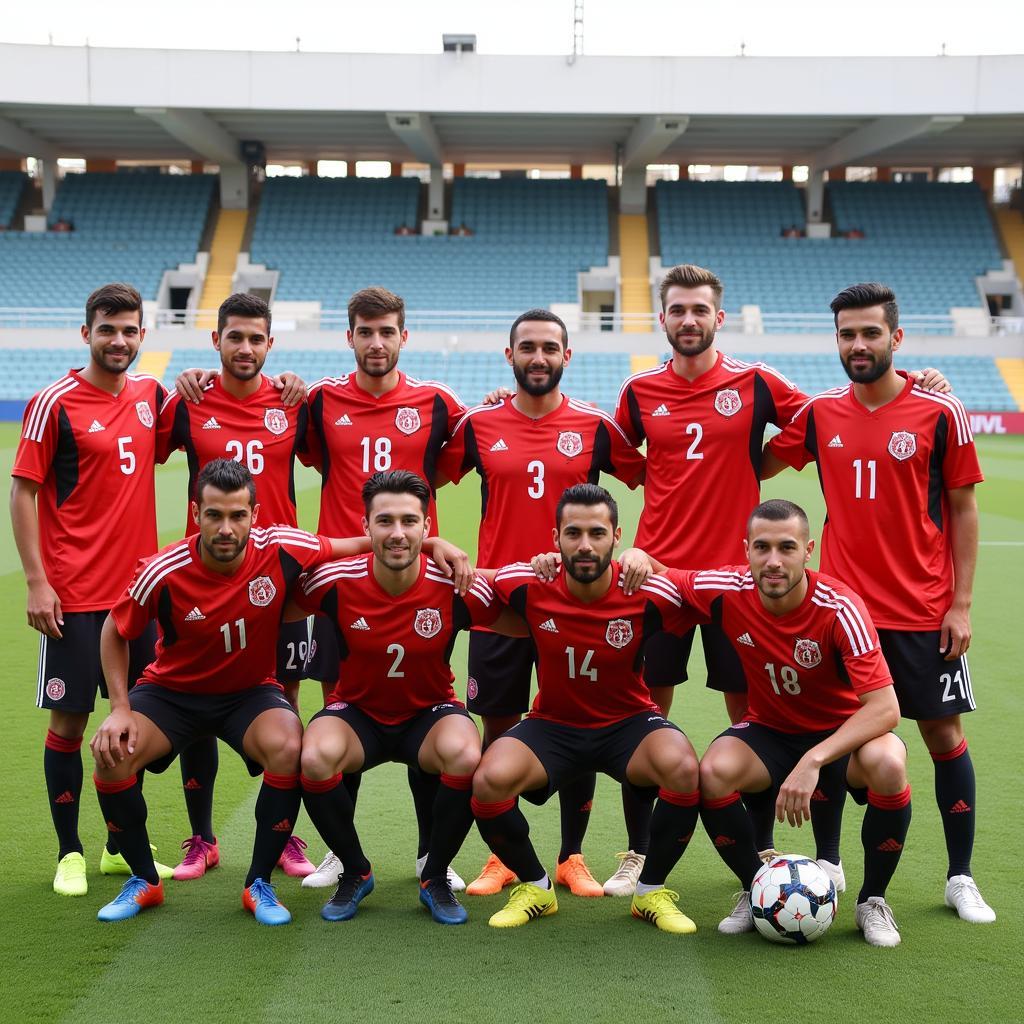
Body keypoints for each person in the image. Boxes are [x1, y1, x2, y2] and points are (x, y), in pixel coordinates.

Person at [612, 263, 947, 890]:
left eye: (700, 310)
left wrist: (917, 385)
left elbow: (831, 413)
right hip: (659, 575)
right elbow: (615, 454)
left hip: (738, 582)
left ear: (720, 316)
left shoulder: (759, 383)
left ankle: (764, 855)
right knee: (645, 717)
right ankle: (637, 852)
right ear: (663, 319)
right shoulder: (637, 391)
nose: (689, 320)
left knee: (753, 715)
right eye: (677, 310)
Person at [87, 458, 470, 924]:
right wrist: (120, 708)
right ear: (195, 514)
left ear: (255, 514)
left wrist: (430, 542)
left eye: (237, 515)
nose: (226, 528)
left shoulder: (283, 547)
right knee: (112, 754)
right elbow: (114, 628)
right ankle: (143, 881)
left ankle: (258, 883)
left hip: (249, 692)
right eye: (214, 515)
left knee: (290, 746)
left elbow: (369, 539)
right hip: (171, 692)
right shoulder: (165, 568)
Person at [762, 282, 994, 925]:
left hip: (923, 612)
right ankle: (832, 864)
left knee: (945, 736)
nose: (857, 344)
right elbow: (753, 458)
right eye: (846, 334)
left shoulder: (940, 412)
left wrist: (962, 603)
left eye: (869, 333)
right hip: (842, 612)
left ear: (896, 337)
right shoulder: (821, 414)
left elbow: (964, 509)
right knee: (836, 736)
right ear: (835, 340)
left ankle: (960, 876)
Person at [624, 499, 913, 946]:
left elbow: (885, 709)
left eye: (787, 547)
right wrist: (640, 556)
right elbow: (670, 578)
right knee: (713, 771)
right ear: (747, 550)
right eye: (762, 547)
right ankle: (756, 887)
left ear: (808, 550)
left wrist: (814, 759)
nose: (773, 560)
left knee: (890, 764)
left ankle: (872, 900)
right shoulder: (729, 588)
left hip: (839, 736)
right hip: (771, 731)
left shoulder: (840, 607)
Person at [437, 310, 646, 899]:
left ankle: (570, 856)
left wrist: (640, 553)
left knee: (578, 723)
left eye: (549, 347)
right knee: (499, 729)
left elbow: (655, 481)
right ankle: (503, 857)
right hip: (502, 605)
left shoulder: (596, 425)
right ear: (509, 356)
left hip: (578, 608)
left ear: (567, 356)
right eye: (526, 347)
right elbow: (427, 474)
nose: (538, 357)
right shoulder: (479, 423)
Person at [291, 470, 526, 924]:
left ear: (426, 526)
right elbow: (272, 606)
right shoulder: (334, 581)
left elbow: (521, 615)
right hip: (358, 712)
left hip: (428, 713)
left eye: (409, 521)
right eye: (384, 522)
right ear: (366, 528)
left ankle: (434, 875)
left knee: (463, 752)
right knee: (315, 755)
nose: (397, 533)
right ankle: (355, 871)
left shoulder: (455, 582)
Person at [471, 484, 705, 933]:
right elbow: (463, 578)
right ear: (554, 537)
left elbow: (718, 592)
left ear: (616, 535)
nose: (584, 544)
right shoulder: (529, 583)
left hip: (628, 725)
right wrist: (438, 544)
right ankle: (536, 886)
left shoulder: (645, 589)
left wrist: (653, 561)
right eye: (573, 532)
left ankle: (649, 892)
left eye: (597, 532)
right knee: (488, 781)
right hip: (553, 725)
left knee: (682, 767)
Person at [10, 282, 173, 897]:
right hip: (74, 598)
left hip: (138, 598)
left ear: (142, 336)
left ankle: (116, 845)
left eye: (130, 330)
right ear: (87, 333)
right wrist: (37, 582)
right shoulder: (55, 401)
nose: (119, 340)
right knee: (71, 724)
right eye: (108, 329)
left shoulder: (151, 397)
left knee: (139, 727)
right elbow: (23, 491)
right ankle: (69, 851)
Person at [158, 291, 316, 881]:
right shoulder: (188, 403)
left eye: (256, 339)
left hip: (283, 583)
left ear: (270, 345)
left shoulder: (293, 403)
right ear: (216, 341)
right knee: (195, 703)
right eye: (234, 337)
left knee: (288, 706)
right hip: (207, 581)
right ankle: (202, 839)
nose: (244, 348)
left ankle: (287, 838)